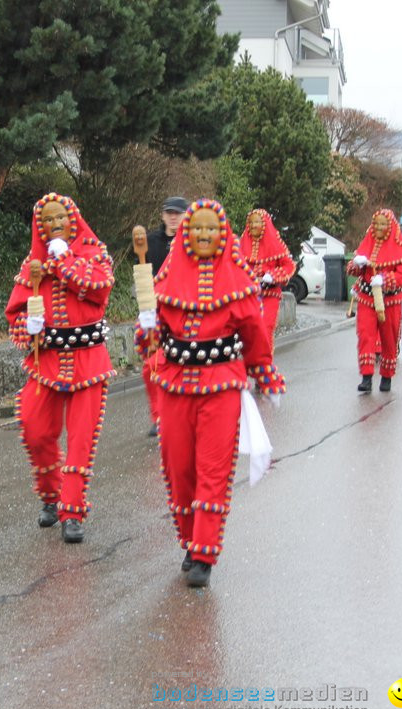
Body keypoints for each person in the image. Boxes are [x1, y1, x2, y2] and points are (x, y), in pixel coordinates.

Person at [138, 198, 286, 587]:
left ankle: (204, 552)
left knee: (213, 469)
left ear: (222, 236)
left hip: (221, 386)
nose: (203, 234)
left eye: (210, 229)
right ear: (185, 235)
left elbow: (254, 334)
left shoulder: (237, 282)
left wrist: (264, 374)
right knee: (178, 466)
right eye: (196, 228)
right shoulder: (165, 281)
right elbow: (150, 342)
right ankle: (190, 541)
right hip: (174, 385)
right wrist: (147, 324)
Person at [5, 192, 115, 543]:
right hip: (46, 362)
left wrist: (64, 261)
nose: (54, 225)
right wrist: (28, 329)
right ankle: (52, 497)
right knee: (34, 427)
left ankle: (72, 511)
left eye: (59, 218)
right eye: (47, 221)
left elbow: (99, 288)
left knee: (82, 440)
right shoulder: (32, 265)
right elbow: (16, 312)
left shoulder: (93, 253)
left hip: (89, 361)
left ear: (72, 220)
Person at [131, 197, 188, 437]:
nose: (173, 217)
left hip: (184, 313)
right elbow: (142, 275)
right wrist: (144, 305)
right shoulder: (151, 242)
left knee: (182, 364)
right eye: (169, 213)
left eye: (178, 213)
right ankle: (159, 418)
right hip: (154, 312)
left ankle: (182, 413)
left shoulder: (193, 242)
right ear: (163, 216)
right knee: (150, 367)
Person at [346, 209, 402, 393]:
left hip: (390, 301)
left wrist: (385, 279)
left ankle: (386, 375)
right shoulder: (367, 241)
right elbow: (352, 269)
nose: (380, 228)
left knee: (389, 339)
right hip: (367, 298)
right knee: (365, 336)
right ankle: (366, 377)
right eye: (377, 224)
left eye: (384, 224)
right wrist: (356, 264)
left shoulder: (399, 247)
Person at [237, 208, 295, 365]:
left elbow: (289, 266)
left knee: (265, 328)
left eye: (257, 222)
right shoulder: (244, 242)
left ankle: (263, 366)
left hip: (270, 294)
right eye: (251, 222)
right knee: (249, 332)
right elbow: (236, 267)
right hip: (249, 296)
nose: (254, 225)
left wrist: (273, 276)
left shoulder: (275, 242)